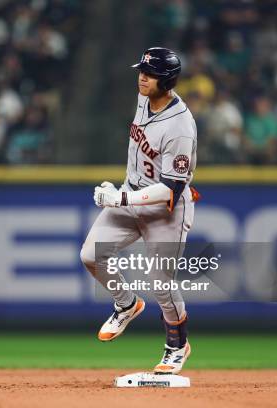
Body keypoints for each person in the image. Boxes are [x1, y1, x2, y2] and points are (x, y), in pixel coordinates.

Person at [80, 47, 198, 375]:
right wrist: (125, 195)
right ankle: (126, 304)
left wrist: (121, 200)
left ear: (168, 80)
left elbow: (171, 188)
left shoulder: (180, 126)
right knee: (91, 255)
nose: (143, 77)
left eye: (151, 73)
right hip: (132, 194)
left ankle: (177, 346)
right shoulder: (145, 98)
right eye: (141, 70)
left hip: (167, 211)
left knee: (161, 281)